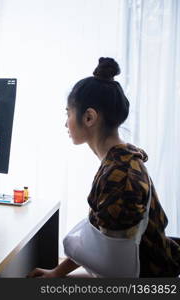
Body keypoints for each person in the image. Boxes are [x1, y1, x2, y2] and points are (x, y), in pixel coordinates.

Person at [28, 57, 180, 278]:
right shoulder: (121, 160)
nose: (66, 123)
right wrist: (57, 273)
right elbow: (102, 242)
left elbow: (115, 267)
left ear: (89, 117)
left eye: (68, 113)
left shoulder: (120, 178)